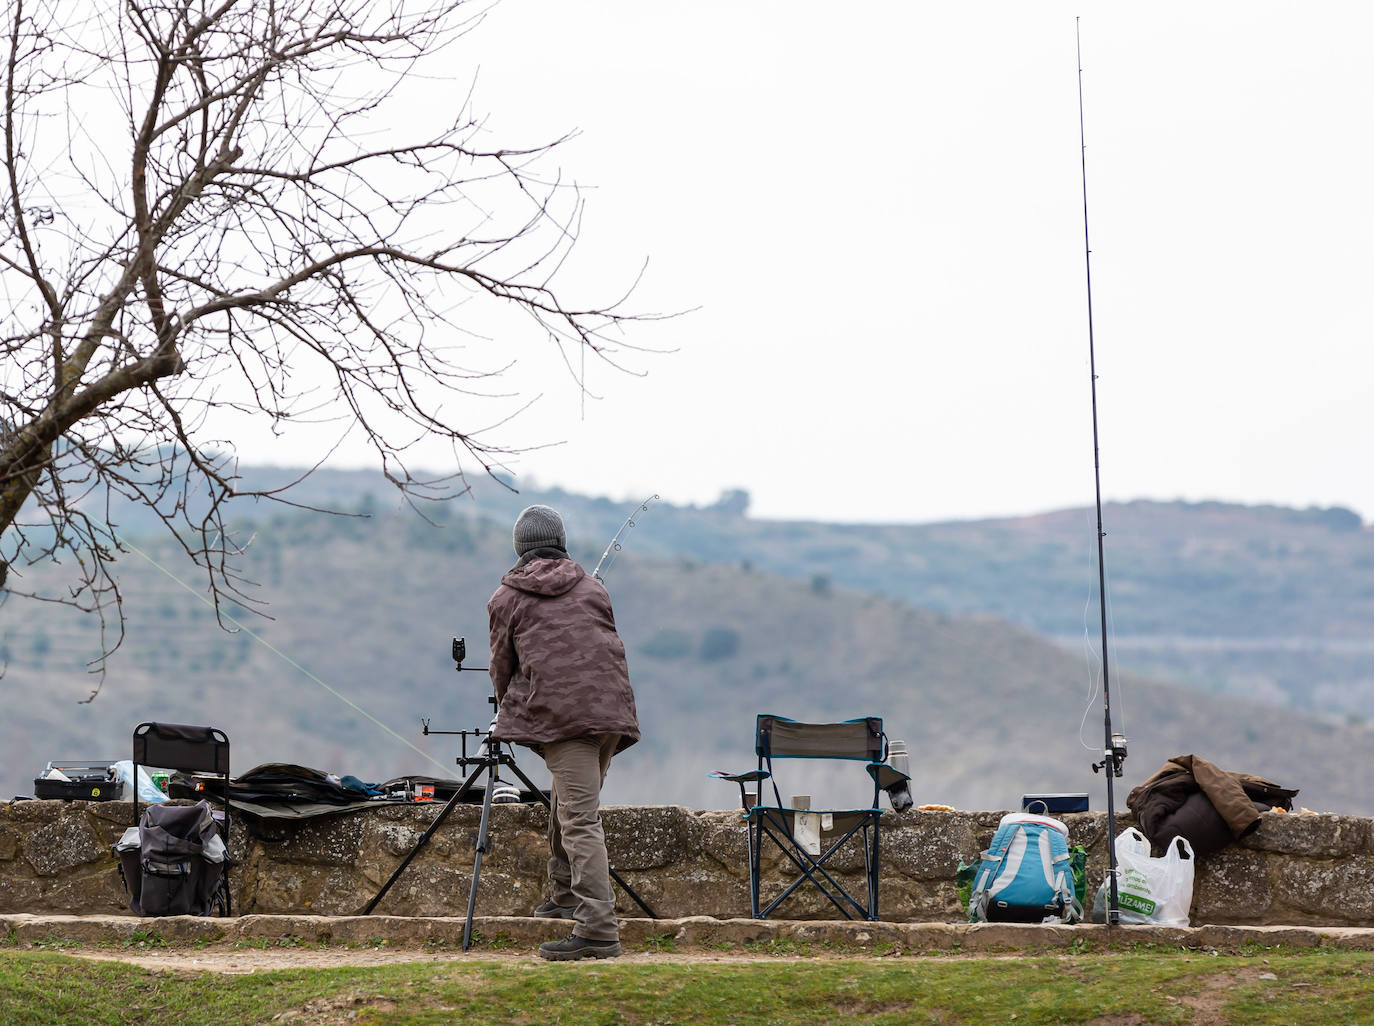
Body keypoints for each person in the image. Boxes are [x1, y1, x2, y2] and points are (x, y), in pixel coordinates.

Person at [487, 504, 640, 961]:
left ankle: (597, 929)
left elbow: (501, 666)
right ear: (561, 542)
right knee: (568, 802)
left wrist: (506, 712)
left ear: (519, 548)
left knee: (578, 818)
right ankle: (563, 894)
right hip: (611, 713)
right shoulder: (593, 588)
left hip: (565, 718)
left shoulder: (504, 599)